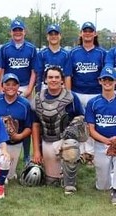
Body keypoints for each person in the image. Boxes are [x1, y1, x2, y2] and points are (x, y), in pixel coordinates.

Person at [31, 66, 84, 195]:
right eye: (50, 77)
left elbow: (81, 118)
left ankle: (70, 184)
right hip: (47, 140)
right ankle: (57, 174)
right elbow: (35, 125)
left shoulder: (71, 98)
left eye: (56, 77)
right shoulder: (38, 98)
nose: (53, 80)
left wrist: (71, 131)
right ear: (45, 80)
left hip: (65, 141)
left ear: (62, 80)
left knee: (70, 146)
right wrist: (37, 151)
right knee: (51, 181)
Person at [68, 21, 106, 167]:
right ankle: (77, 153)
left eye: (90, 31)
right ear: (81, 33)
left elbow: (105, 75)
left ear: (95, 34)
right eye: (85, 31)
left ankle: (90, 153)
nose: (88, 33)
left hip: (95, 93)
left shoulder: (102, 53)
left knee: (92, 124)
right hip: (77, 92)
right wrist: (70, 93)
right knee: (78, 123)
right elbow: (69, 75)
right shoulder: (74, 52)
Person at [1, 19, 37, 165]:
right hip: (9, 86)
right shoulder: (5, 48)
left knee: (25, 122)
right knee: (7, 121)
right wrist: (2, 88)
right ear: (11, 32)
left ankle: (27, 155)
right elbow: (1, 70)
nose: (17, 33)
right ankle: (3, 150)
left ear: (24, 32)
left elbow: (34, 71)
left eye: (20, 30)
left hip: (25, 86)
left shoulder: (31, 48)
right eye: (15, 30)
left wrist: (29, 90)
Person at [85, 65, 116, 205]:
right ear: (100, 81)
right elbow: (91, 130)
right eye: (105, 80)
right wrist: (107, 141)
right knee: (103, 186)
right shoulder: (93, 103)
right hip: (100, 144)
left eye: (110, 79)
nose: (107, 82)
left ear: (115, 81)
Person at [0, 73, 32, 182]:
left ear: (18, 86)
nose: (11, 87)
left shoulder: (24, 104)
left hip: (14, 143)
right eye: (8, 84)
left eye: (14, 84)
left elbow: (29, 127)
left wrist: (19, 136)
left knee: (8, 176)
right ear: (2, 86)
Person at [35, 24, 71, 92]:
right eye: (51, 34)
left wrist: (68, 93)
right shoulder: (41, 54)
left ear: (60, 36)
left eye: (56, 34)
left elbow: (67, 76)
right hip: (45, 88)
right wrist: (38, 92)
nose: (53, 36)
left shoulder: (66, 54)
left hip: (61, 87)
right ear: (47, 37)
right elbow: (39, 75)